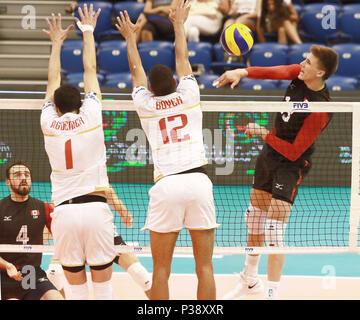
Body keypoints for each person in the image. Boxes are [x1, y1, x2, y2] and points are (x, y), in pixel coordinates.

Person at [214, 44, 338, 300]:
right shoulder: (299, 74)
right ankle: (249, 280)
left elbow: (294, 152)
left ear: (321, 72)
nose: (302, 64)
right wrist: (242, 72)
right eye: (304, 60)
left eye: (308, 63)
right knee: (254, 219)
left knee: (273, 231)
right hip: (269, 156)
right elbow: (275, 71)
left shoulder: (321, 108)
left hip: (291, 165)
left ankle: (271, 293)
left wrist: (263, 133)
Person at [115, 0, 219, 300]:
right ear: (175, 82)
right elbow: (182, 56)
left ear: (150, 87)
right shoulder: (189, 93)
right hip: (199, 182)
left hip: (167, 185)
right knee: (205, 267)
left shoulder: (145, 104)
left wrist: (131, 38)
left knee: (161, 269)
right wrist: (177, 23)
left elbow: (136, 70)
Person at [41, 5, 117, 300]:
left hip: (64, 213)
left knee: (76, 291)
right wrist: (87, 32)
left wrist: (56, 44)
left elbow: (52, 83)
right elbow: (90, 71)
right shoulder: (92, 114)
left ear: (56, 108)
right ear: (81, 103)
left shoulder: (48, 122)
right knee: (103, 288)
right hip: (95, 210)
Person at [46, 187, 152, 299]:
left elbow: (107, 189)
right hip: (71, 227)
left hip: (99, 230)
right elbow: (55, 204)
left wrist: (123, 211)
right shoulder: (61, 179)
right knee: (54, 273)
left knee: (139, 273)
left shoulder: (93, 172)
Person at [0, 161, 63, 300]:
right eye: (17, 175)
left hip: (32, 273)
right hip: (4, 276)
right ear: (8, 182)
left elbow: (63, 237)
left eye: (27, 174)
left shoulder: (43, 208)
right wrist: (7, 266)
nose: (23, 177)